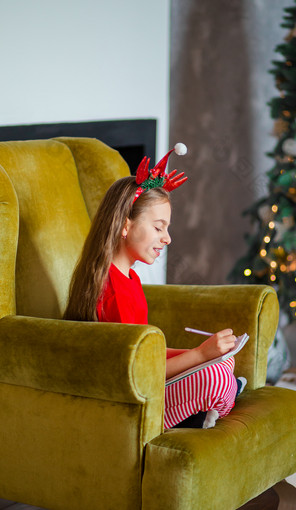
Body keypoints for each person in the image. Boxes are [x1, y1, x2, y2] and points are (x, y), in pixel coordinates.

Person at [64, 143, 245, 429]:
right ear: (125, 226)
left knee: (222, 364)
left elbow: (148, 355)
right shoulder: (112, 292)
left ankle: (214, 399)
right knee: (216, 376)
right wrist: (199, 356)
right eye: (159, 227)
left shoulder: (129, 278)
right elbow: (136, 372)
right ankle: (203, 411)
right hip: (131, 402)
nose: (167, 238)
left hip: (146, 379)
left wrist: (197, 354)